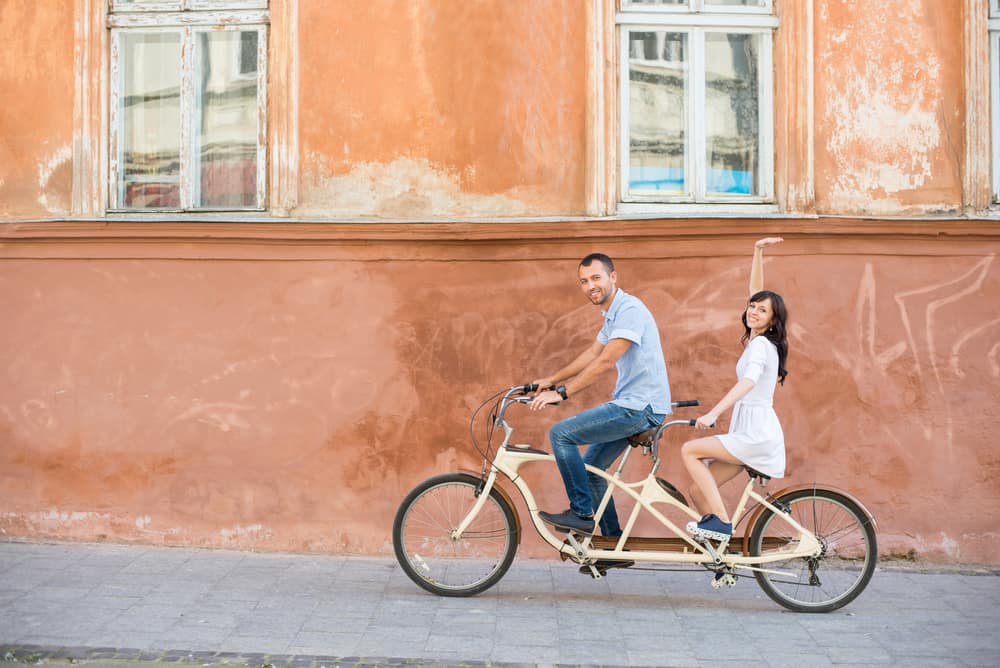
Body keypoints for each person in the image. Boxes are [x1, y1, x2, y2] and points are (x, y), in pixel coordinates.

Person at [528, 253, 672, 538]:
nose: (590, 286)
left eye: (596, 278)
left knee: (560, 434)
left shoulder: (630, 309)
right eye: (584, 281)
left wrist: (563, 394)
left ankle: (581, 513)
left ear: (613, 277)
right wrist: (551, 380)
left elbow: (606, 361)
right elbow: (593, 352)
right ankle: (611, 543)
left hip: (639, 407)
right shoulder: (614, 313)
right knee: (592, 470)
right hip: (632, 404)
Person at [681, 237, 789, 541]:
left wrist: (714, 413)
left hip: (755, 434)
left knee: (690, 450)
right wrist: (757, 251)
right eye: (752, 306)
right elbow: (755, 292)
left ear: (772, 320)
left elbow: (748, 382)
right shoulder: (761, 342)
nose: (754, 311)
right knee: (697, 489)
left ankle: (722, 527)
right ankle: (721, 547)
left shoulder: (761, 346)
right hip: (749, 431)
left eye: (762, 310)